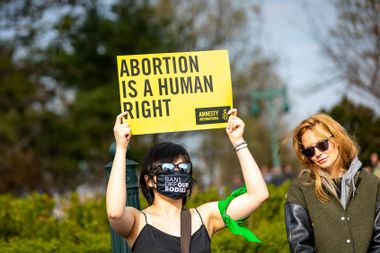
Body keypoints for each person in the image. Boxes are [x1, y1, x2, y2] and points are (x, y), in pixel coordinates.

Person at [107, 109, 269, 252]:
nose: (177, 173)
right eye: (168, 169)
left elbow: (258, 195)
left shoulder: (204, 217)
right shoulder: (138, 221)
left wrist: (238, 141)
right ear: (149, 181)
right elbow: (115, 213)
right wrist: (121, 148)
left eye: (183, 168)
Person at [284, 113, 380, 253]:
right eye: (310, 150)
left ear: (338, 139)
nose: (317, 153)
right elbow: (301, 247)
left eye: (322, 144)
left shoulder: (371, 184)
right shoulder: (300, 190)